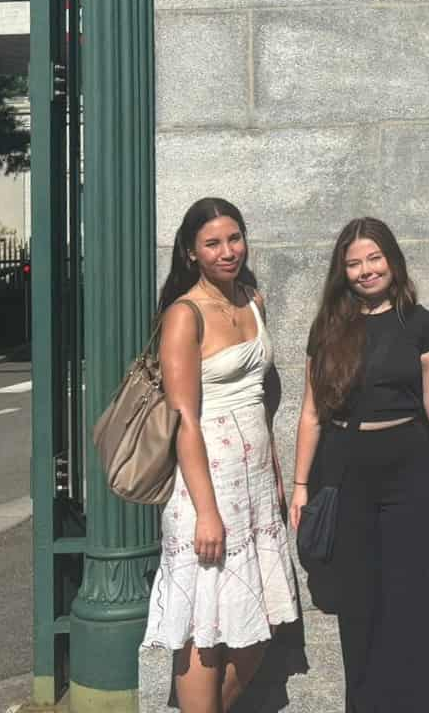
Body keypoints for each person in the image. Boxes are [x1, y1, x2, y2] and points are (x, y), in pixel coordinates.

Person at [288, 217, 429, 711]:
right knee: (360, 613)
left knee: (409, 612)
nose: (366, 270)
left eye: (374, 258)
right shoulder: (328, 327)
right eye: (354, 263)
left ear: (391, 260)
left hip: (407, 472)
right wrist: (301, 484)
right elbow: (311, 412)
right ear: (342, 272)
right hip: (344, 474)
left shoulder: (421, 322)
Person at [142, 197, 300, 713]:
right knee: (203, 629)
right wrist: (206, 513)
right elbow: (184, 417)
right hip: (205, 484)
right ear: (192, 252)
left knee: (256, 629)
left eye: (235, 238)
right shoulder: (183, 315)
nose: (227, 251)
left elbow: (263, 399)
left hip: (254, 482)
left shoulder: (253, 298)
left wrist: (276, 473)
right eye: (213, 243)